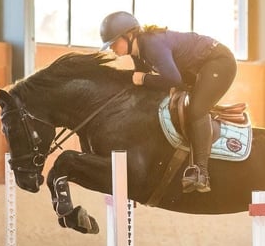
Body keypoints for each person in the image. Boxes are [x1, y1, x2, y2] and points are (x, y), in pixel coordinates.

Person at [99, 11, 237, 193]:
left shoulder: (152, 44)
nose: (112, 48)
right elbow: (145, 88)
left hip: (219, 62)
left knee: (196, 110)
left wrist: (144, 79)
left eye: (114, 42)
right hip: (197, 70)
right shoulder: (138, 53)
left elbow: (172, 80)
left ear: (129, 35)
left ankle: (201, 173)